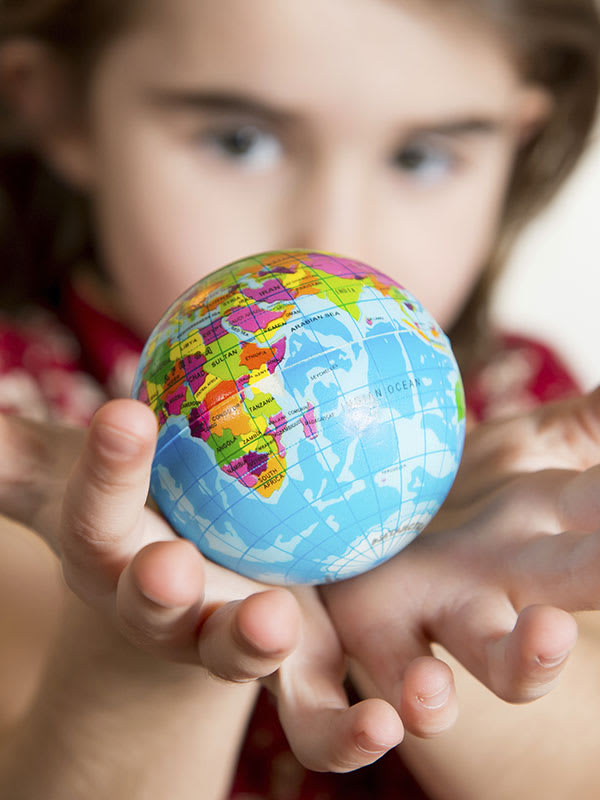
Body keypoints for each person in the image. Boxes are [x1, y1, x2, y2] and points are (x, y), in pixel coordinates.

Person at [0, 0, 599, 798]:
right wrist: (141, 638)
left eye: (421, 156)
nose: (335, 232)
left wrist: (447, 635)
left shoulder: (518, 412)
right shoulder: (23, 418)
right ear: (62, 111)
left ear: (520, 133)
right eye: (240, 141)